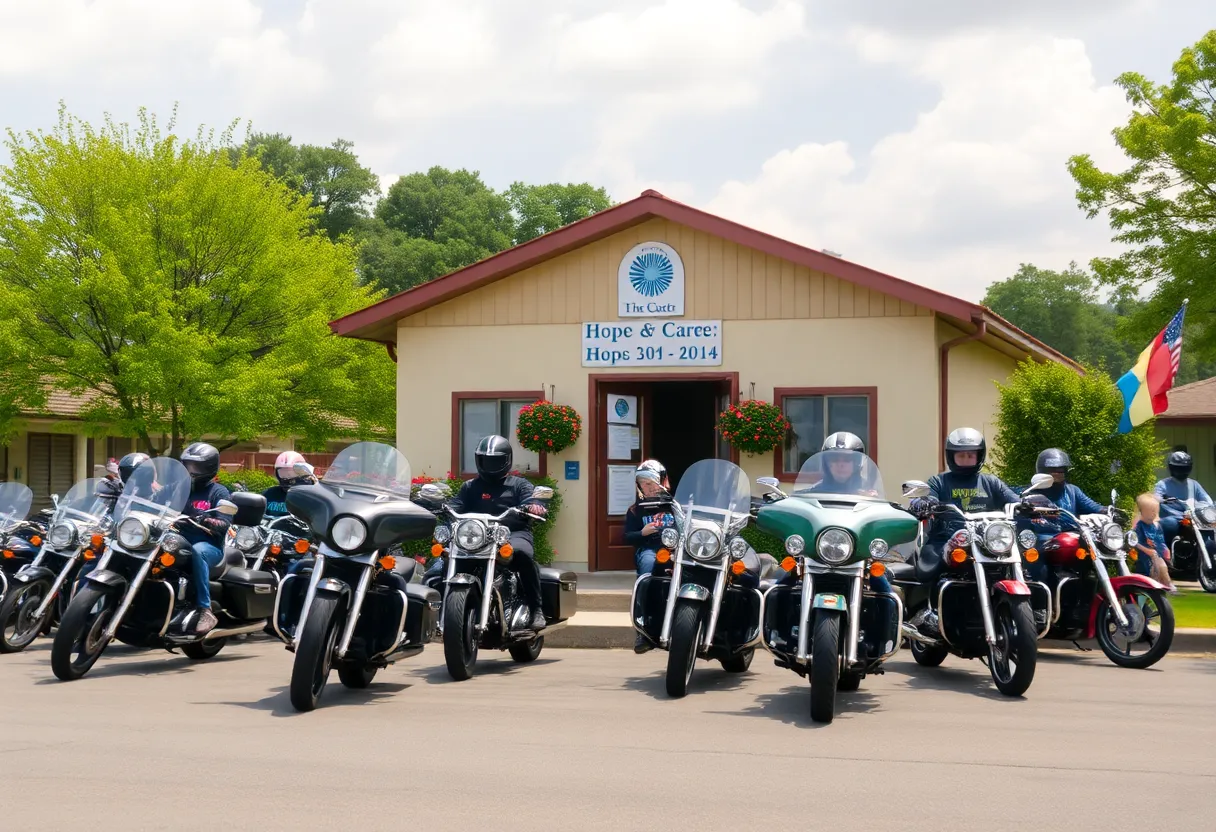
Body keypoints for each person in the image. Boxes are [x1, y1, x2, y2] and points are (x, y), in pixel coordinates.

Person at [907, 427, 1023, 636]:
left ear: (979, 455)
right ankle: (927, 613)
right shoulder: (939, 481)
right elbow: (928, 496)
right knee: (929, 568)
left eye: (971, 455)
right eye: (961, 455)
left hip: (985, 541)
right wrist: (922, 502)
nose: (966, 459)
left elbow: (1013, 499)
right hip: (945, 539)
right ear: (951, 456)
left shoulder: (990, 482)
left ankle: (1024, 611)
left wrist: (1030, 503)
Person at [447, 435, 548, 630]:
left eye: (495, 461)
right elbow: (456, 505)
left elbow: (531, 500)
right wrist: (440, 507)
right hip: (478, 536)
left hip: (513, 533)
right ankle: (441, 610)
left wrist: (535, 506)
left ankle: (536, 609)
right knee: (443, 561)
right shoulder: (470, 487)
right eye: (486, 460)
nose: (490, 465)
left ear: (506, 460)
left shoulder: (519, 484)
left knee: (522, 555)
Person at [172, 442, 232, 635]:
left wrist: (206, 519)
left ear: (208, 468)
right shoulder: (178, 488)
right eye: (187, 465)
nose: (190, 471)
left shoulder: (219, 492)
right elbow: (155, 500)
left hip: (209, 546)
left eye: (195, 466)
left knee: (198, 551)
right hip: (177, 541)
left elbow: (224, 524)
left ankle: (205, 609)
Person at [1154, 450, 1214, 550]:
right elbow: (1155, 498)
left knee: (1210, 531)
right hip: (1174, 518)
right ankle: (1166, 552)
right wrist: (1162, 500)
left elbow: (1207, 501)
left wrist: (1206, 506)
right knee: (1170, 524)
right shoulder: (1162, 484)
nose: (1182, 471)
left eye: (1185, 468)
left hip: (1193, 518)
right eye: (1179, 468)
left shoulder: (1194, 484)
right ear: (1171, 468)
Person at [1133, 493, 1178, 591]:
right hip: (1143, 557)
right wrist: (1146, 550)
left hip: (1156, 554)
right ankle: (1150, 589)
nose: (1154, 513)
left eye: (1155, 511)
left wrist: (1165, 549)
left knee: (1162, 566)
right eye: (1151, 511)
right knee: (1147, 575)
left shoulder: (1156, 526)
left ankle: (1167, 584)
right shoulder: (1139, 527)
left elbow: (1160, 540)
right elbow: (1135, 542)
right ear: (1142, 512)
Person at [262, 451, 316, 518]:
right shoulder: (269, 494)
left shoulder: (312, 497)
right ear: (277, 474)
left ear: (302, 473)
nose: (287, 477)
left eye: (291, 472)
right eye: (283, 473)